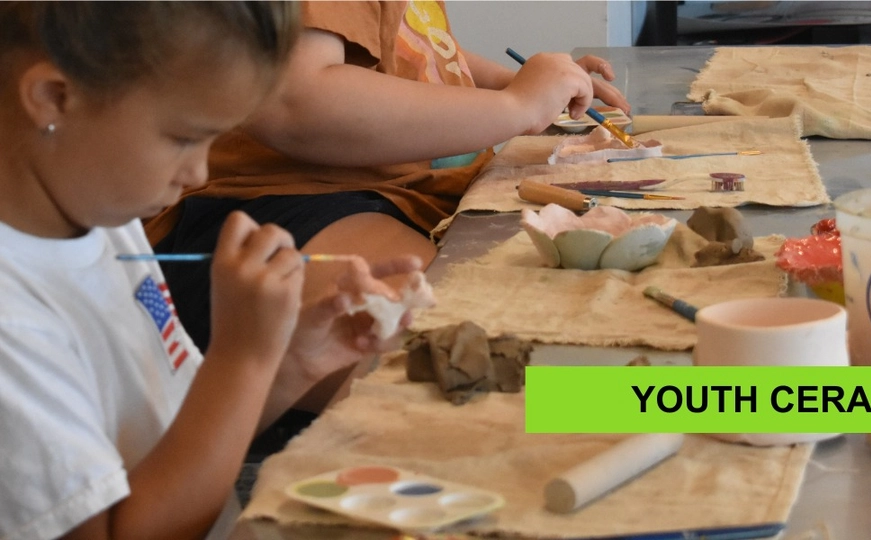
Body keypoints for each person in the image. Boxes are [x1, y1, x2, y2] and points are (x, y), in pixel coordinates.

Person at [0, 2, 419, 538]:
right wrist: (243, 358)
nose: (198, 172)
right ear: (54, 97)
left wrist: (291, 362)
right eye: (183, 138)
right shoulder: (14, 320)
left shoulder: (101, 216)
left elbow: (180, 432)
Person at [143, 2, 632, 406]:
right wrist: (517, 105)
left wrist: (521, 85)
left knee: (560, 340)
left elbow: (418, 49)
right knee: (478, 374)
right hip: (267, 212)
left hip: (382, 197)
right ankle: (672, 403)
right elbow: (294, 101)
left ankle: (669, 403)